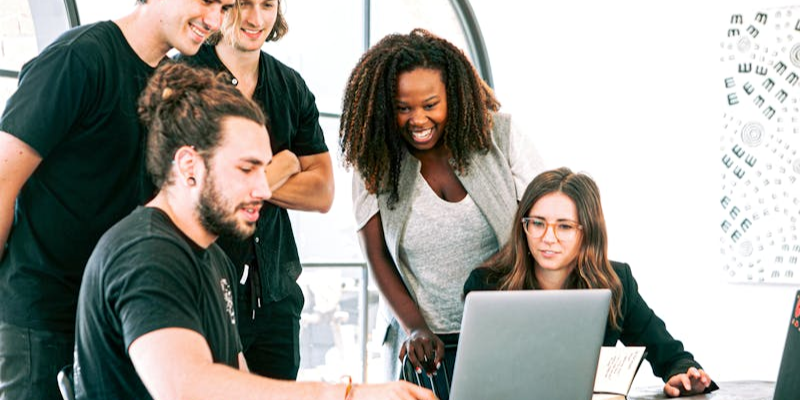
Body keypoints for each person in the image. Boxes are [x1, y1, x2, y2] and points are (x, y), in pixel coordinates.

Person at [73, 62, 434, 400]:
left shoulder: (213, 259)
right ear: (188, 166)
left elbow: (239, 378)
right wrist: (346, 394)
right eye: (247, 169)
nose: (264, 190)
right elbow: (189, 388)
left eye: (264, 170)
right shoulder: (147, 254)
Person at [0, 0, 233, 398]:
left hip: (115, 319)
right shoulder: (79, 58)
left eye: (225, 7)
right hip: (43, 320)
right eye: (207, 1)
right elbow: (3, 179)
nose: (214, 21)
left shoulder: (173, 85)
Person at [339, 28, 545, 380]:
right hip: (422, 343)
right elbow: (376, 255)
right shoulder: (374, 158)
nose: (417, 120)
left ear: (454, 95)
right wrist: (415, 328)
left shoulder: (501, 136)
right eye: (404, 108)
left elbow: (543, 226)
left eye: (430, 105)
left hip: (503, 329)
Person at [176, 0, 334, 380]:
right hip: (203, 293)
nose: (256, 18)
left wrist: (241, 181)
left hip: (276, 298)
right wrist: (283, 165)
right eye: (244, 3)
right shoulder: (182, 78)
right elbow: (189, 185)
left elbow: (323, 192)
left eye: (267, 4)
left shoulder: (290, 86)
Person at [463, 167, 717, 398]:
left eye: (564, 226)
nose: (548, 237)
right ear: (523, 227)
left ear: (587, 232)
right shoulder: (487, 285)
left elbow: (670, 355)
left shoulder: (616, 283)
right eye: (537, 223)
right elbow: (474, 377)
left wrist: (683, 374)